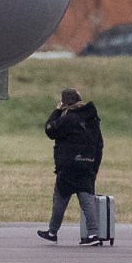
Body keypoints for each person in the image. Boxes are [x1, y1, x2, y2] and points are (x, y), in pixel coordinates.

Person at [37, 87, 105, 246]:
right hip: (87, 163)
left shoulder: (69, 119)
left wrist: (56, 111)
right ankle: (93, 234)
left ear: (65, 103)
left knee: (60, 197)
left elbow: (50, 130)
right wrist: (94, 168)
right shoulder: (92, 119)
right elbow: (99, 145)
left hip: (68, 165)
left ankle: (53, 232)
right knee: (87, 199)